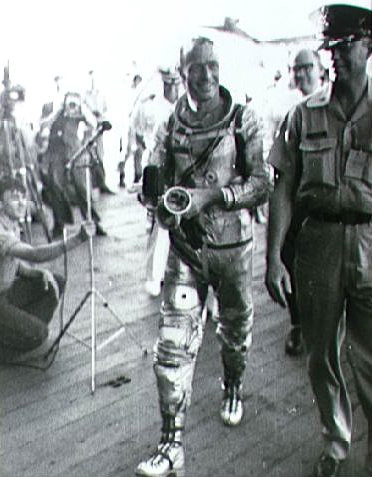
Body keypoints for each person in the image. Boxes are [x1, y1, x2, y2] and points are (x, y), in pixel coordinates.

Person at [136, 36, 270, 477]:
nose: (208, 74)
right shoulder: (168, 125)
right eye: (198, 67)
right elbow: (150, 184)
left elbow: (262, 183)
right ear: (183, 72)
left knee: (234, 331)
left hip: (233, 249)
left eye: (213, 65)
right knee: (171, 349)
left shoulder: (243, 119)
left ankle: (233, 386)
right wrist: (162, 207)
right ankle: (171, 443)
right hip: (187, 250)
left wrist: (210, 196)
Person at [266, 4, 372, 476]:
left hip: (370, 239)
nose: (336, 56)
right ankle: (335, 441)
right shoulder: (303, 114)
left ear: (369, 46)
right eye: (331, 47)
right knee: (319, 353)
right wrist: (272, 258)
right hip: (319, 243)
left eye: (346, 45)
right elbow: (283, 186)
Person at [0, 175, 95, 354]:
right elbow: (34, 254)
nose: (21, 202)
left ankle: (18, 329)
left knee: (55, 281)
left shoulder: (11, 224)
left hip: (8, 291)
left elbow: (11, 264)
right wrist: (77, 238)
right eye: (14, 198)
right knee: (39, 334)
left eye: (22, 196)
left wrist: (37, 273)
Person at [279, 48, 325, 357]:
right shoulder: (285, 106)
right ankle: (297, 322)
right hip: (295, 195)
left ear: (321, 69)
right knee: (288, 256)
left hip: (325, 200)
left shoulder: (335, 101)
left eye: (306, 67)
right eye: (295, 69)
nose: (300, 74)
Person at [144, 66, 181, 297]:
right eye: (171, 83)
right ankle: (153, 277)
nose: (174, 87)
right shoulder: (158, 110)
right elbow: (155, 150)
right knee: (161, 229)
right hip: (166, 174)